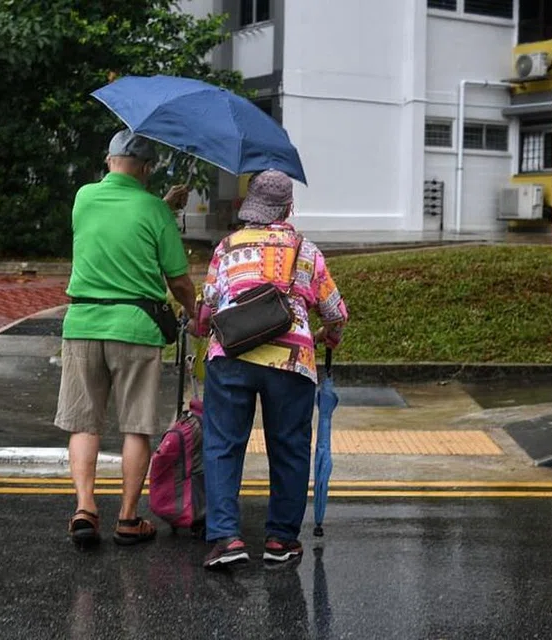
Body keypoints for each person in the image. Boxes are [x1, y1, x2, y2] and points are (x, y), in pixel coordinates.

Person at [191, 169, 348, 569]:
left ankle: (227, 538)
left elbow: (207, 310)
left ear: (251, 206)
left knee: (223, 445)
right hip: (291, 361)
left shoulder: (226, 248)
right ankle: (280, 541)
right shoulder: (305, 250)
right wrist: (331, 334)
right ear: (288, 208)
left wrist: (205, 320)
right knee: (289, 447)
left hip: (231, 357)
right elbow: (335, 311)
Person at [55, 130, 197, 547]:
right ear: (148, 169)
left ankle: (85, 508)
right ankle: (129, 518)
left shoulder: (84, 198)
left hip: (82, 322)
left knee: (84, 423)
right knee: (136, 425)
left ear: (108, 159)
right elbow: (178, 279)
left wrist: (161, 208)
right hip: (136, 327)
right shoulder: (153, 209)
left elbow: (116, 225)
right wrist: (194, 312)